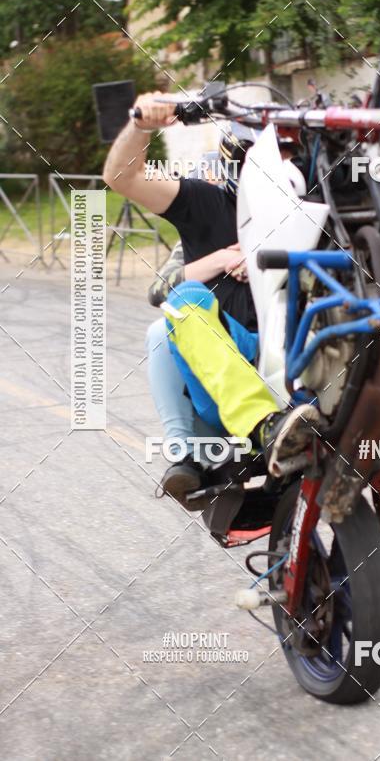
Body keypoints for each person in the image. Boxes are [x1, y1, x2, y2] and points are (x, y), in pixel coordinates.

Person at [103, 92, 321, 507]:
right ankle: (235, 435)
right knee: (176, 308)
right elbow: (121, 178)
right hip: (235, 373)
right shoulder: (208, 203)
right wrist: (142, 125)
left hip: (305, 364)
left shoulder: (319, 211)